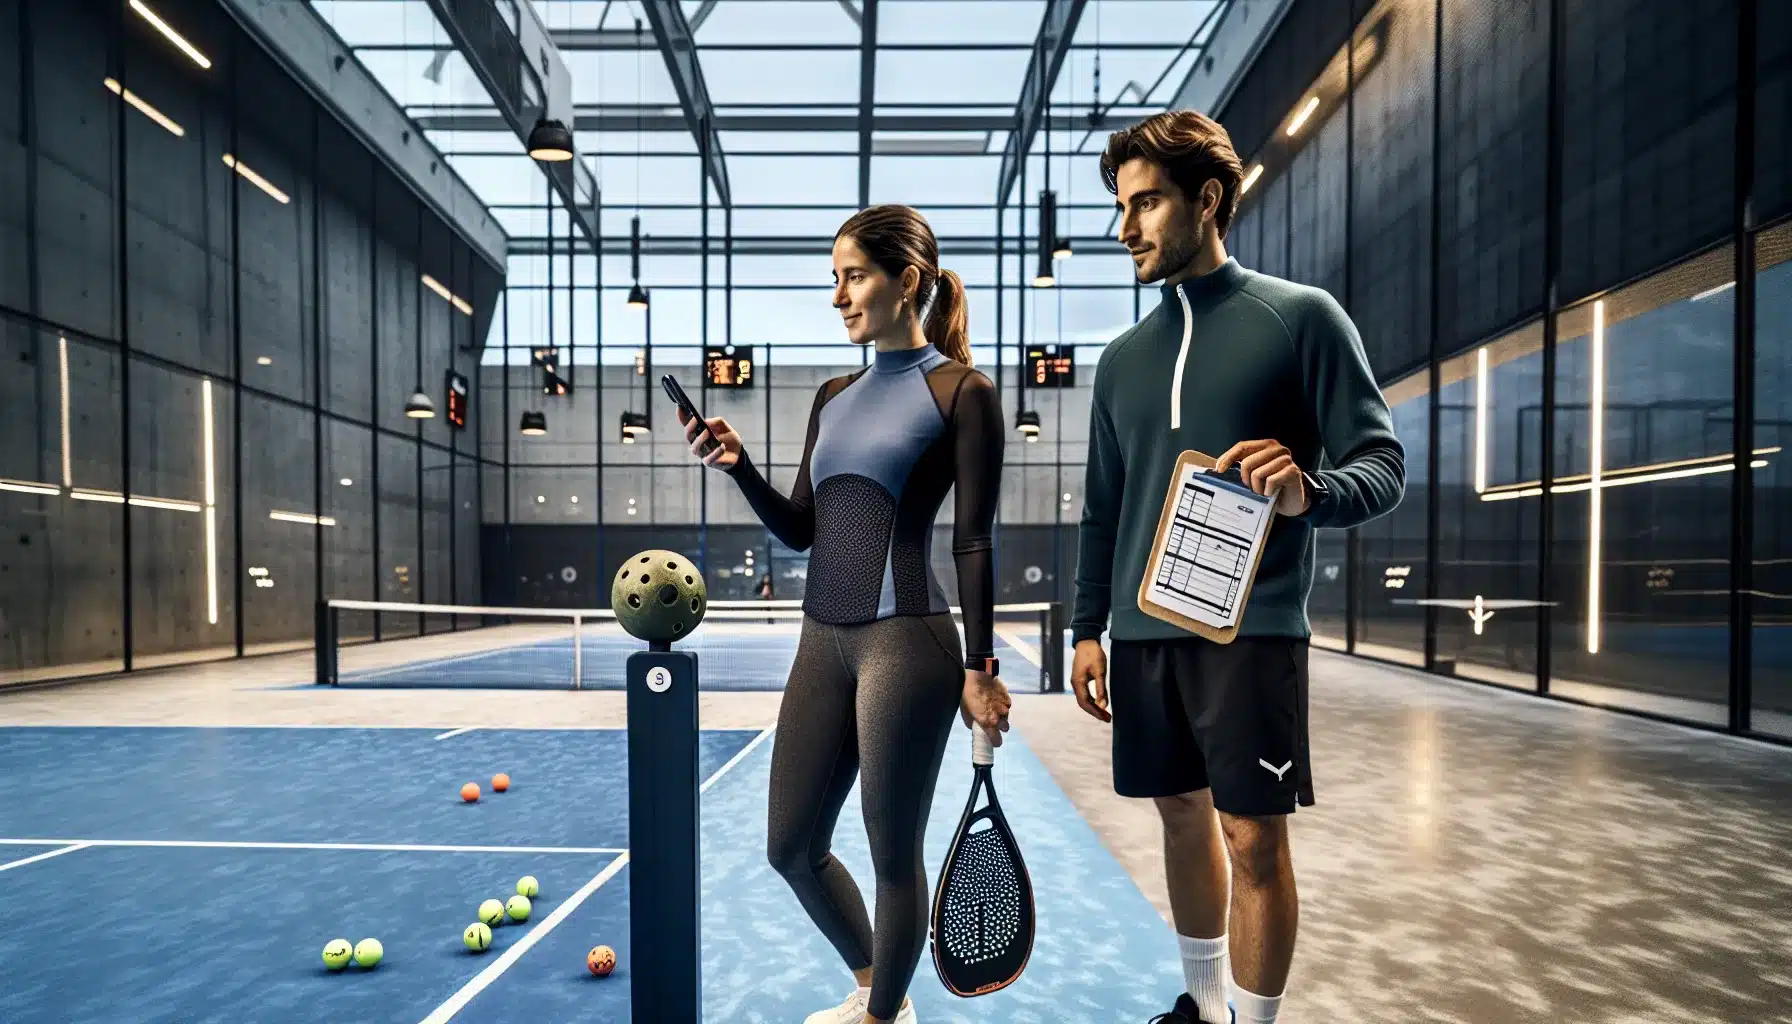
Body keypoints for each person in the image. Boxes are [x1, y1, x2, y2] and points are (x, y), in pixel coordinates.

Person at [1071, 111, 1405, 1024]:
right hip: (1142, 637)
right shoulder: (1118, 363)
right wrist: (1085, 629)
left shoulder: (1299, 319)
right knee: (1180, 815)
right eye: (1120, 205)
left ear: (1207, 200)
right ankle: (1203, 1005)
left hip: (1249, 630)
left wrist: (1308, 491)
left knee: (1252, 836)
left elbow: (1382, 466)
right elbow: (1103, 511)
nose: (1125, 228)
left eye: (1145, 204)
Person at [678, 204, 1011, 1024]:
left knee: (893, 854)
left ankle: (881, 1017)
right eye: (834, 278)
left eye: (853, 276)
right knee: (790, 845)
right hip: (820, 641)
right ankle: (876, 987)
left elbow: (973, 541)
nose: (838, 296)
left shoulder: (963, 392)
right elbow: (801, 530)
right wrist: (739, 467)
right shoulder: (832, 397)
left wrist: (981, 668)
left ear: (907, 281)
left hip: (909, 642)